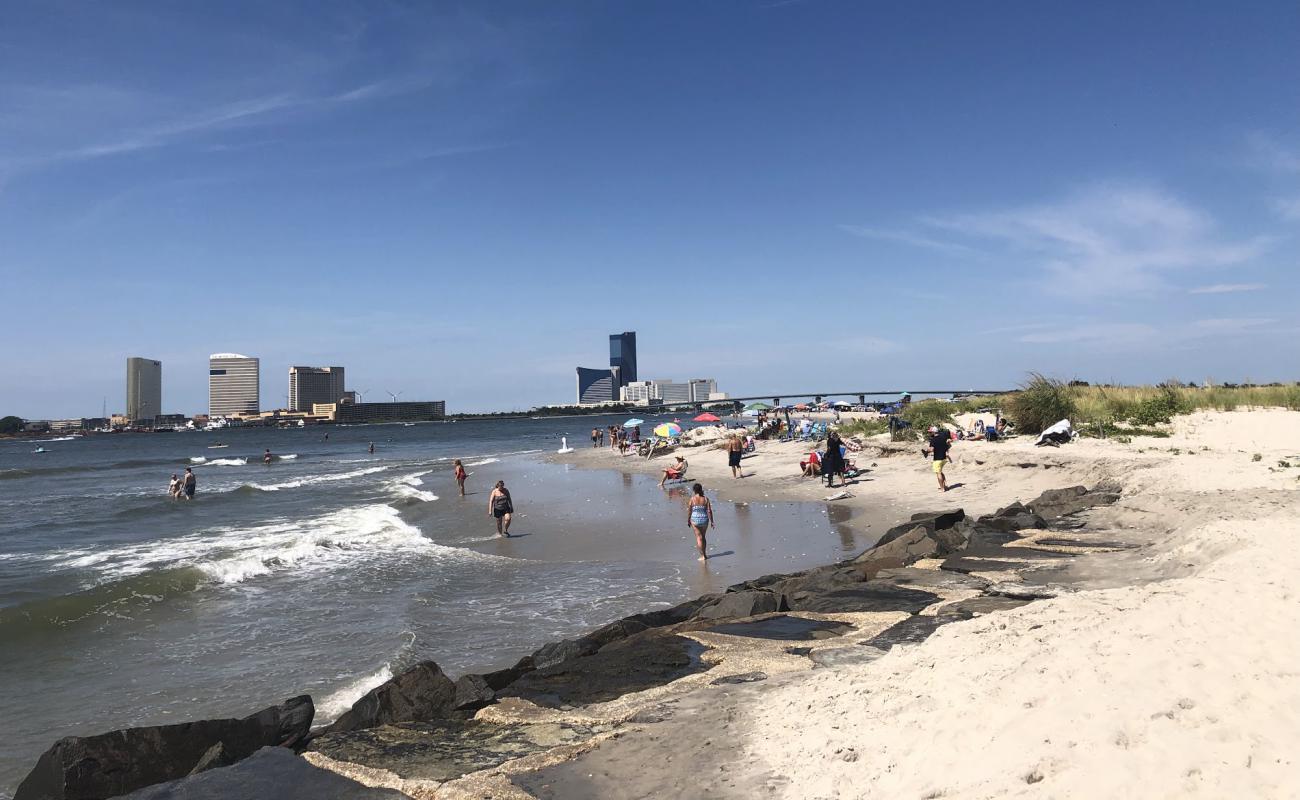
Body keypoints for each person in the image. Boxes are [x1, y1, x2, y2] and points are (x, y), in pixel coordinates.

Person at [686, 483, 714, 561]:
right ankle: (705, 554)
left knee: (699, 538)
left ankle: (702, 556)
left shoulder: (692, 499)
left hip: (695, 520)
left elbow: (689, 510)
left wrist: (688, 520)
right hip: (704, 519)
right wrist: (712, 521)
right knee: (703, 537)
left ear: (694, 490)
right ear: (701, 489)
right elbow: (709, 511)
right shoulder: (705, 499)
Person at [923, 425, 953, 492]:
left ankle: (942, 488)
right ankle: (945, 485)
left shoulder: (933, 440)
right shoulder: (943, 437)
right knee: (940, 471)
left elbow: (931, 449)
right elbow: (949, 444)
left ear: (933, 432)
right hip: (944, 458)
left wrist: (927, 451)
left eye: (930, 432)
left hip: (938, 459)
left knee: (938, 473)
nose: (929, 433)